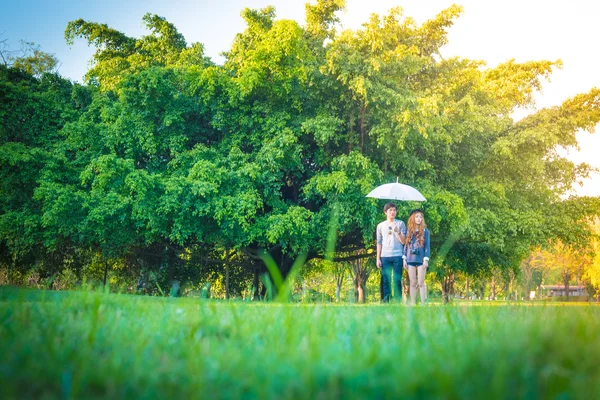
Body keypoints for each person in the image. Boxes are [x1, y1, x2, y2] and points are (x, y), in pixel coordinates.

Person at [376, 202, 407, 302]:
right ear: (385, 212)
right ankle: (386, 301)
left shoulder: (400, 223)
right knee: (386, 280)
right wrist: (378, 258)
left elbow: (404, 241)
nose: (392, 212)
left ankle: (398, 301)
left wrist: (397, 231)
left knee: (397, 280)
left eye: (394, 210)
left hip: (398, 255)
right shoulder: (380, 226)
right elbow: (379, 243)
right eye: (390, 210)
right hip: (385, 256)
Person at [403, 209, 430, 305]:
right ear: (412, 218)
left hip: (421, 259)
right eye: (416, 217)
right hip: (410, 259)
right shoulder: (408, 230)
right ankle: (413, 303)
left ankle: (423, 304)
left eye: (420, 217)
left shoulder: (425, 231)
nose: (419, 219)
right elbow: (405, 245)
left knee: (421, 283)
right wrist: (404, 259)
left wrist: (426, 259)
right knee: (413, 283)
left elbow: (427, 246)